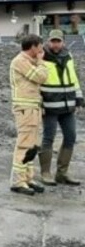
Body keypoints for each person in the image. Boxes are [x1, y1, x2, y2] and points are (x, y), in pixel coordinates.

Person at [39, 29, 82, 186]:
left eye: (58, 41)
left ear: (63, 42)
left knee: (70, 137)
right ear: (48, 41)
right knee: (48, 139)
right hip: (49, 107)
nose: (55, 44)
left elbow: (74, 79)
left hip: (67, 106)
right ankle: (45, 173)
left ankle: (62, 173)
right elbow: (36, 82)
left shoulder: (68, 56)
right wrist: (39, 103)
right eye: (53, 41)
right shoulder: (41, 57)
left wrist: (79, 99)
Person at [9, 34, 49, 195]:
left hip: (33, 108)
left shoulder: (28, 61)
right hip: (25, 109)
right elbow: (41, 77)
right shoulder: (20, 61)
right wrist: (41, 61)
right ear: (33, 46)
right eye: (39, 46)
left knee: (32, 146)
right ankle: (17, 181)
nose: (41, 50)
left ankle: (27, 178)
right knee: (24, 144)